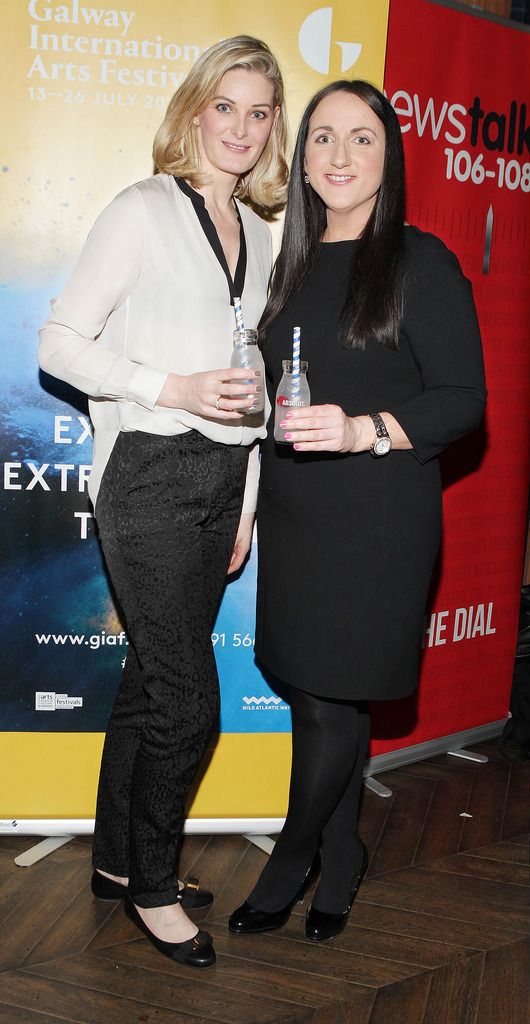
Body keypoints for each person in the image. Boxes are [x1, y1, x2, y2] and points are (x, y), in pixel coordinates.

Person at [38, 35, 288, 968]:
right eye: (226, 105)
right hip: (145, 473)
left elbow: (254, 377)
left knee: (150, 687)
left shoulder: (261, 238)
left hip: (223, 483)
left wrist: (250, 497)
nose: (242, 127)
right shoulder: (141, 209)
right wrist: (165, 386)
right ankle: (153, 885)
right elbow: (58, 342)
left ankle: (113, 862)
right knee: (189, 706)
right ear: (193, 111)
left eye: (260, 112)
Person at [229, 80, 486, 942]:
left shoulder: (422, 262)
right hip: (297, 519)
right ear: (300, 157)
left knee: (339, 697)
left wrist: (364, 429)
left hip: (378, 520)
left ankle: (293, 857)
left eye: (362, 139)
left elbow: (462, 401)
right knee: (315, 696)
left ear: (390, 157)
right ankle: (343, 855)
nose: (340, 156)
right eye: (323, 138)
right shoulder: (287, 269)